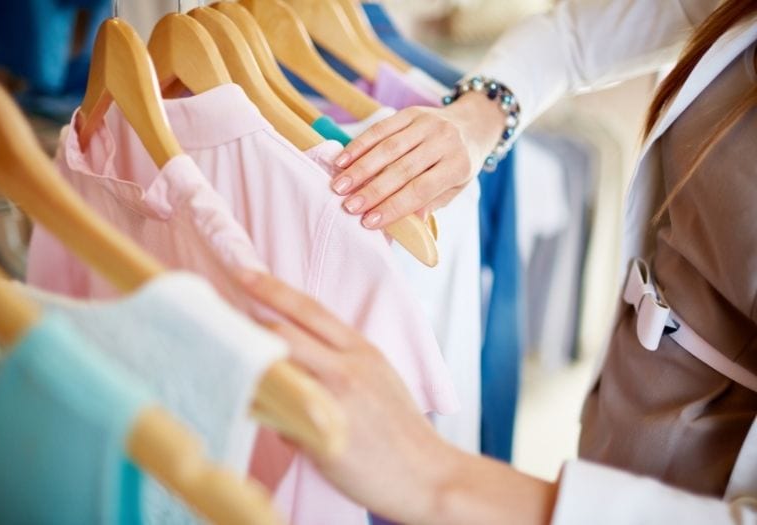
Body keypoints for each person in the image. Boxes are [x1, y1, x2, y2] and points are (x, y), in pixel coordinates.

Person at [242, 0, 757, 522]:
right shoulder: (430, 153)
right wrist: (480, 113)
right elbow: (582, 36)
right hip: (631, 412)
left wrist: (440, 477)